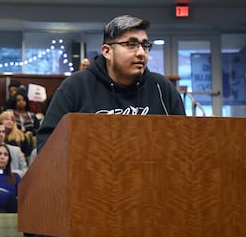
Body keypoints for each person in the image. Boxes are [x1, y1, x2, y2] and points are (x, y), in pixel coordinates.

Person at [37, 15, 186, 150]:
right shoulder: (76, 87)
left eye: (145, 45)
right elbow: (47, 144)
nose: (141, 53)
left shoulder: (161, 88)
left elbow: (184, 141)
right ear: (107, 51)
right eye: (131, 44)